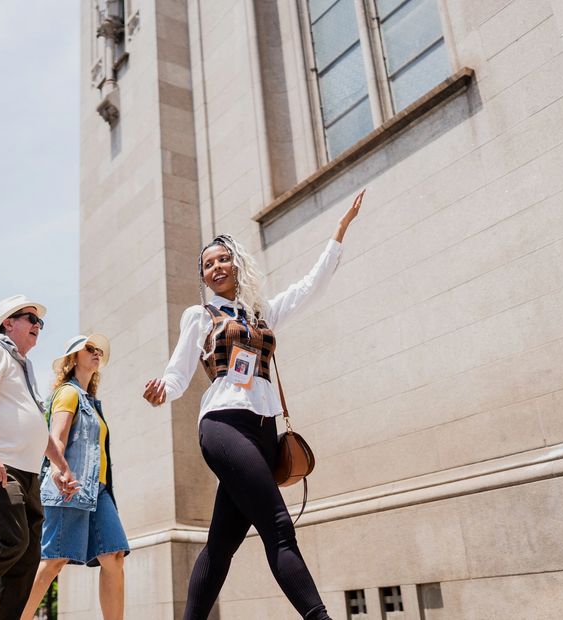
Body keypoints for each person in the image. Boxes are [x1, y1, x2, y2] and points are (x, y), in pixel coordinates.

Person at [143, 190, 365, 620]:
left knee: (221, 544)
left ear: (235, 264)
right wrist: (161, 392)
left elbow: (309, 288)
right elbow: (177, 373)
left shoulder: (260, 313)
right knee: (278, 528)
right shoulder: (200, 317)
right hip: (223, 424)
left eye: (222, 259)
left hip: (265, 431)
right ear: (204, 277)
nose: (216, 267)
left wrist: (339, 232)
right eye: (208, 264)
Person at [0, 295, 79, 620]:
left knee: (28, 555)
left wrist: (62, 468)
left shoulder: (24, 366)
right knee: (13, 540)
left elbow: (38, 430)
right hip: (1, 467)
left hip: (29, 473)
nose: (37, 326)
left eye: (40, 322)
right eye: (30, 318)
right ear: (8, 323)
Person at [21, 334, 128, 620]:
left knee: (114, 556)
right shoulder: (68, 393)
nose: (96, 353)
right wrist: (58, 469)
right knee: (54, 560)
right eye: (89, 349)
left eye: (98, 351)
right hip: (70, 485)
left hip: (100, 489)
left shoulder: (92, 402)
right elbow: (55, 437)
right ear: (73, 358)